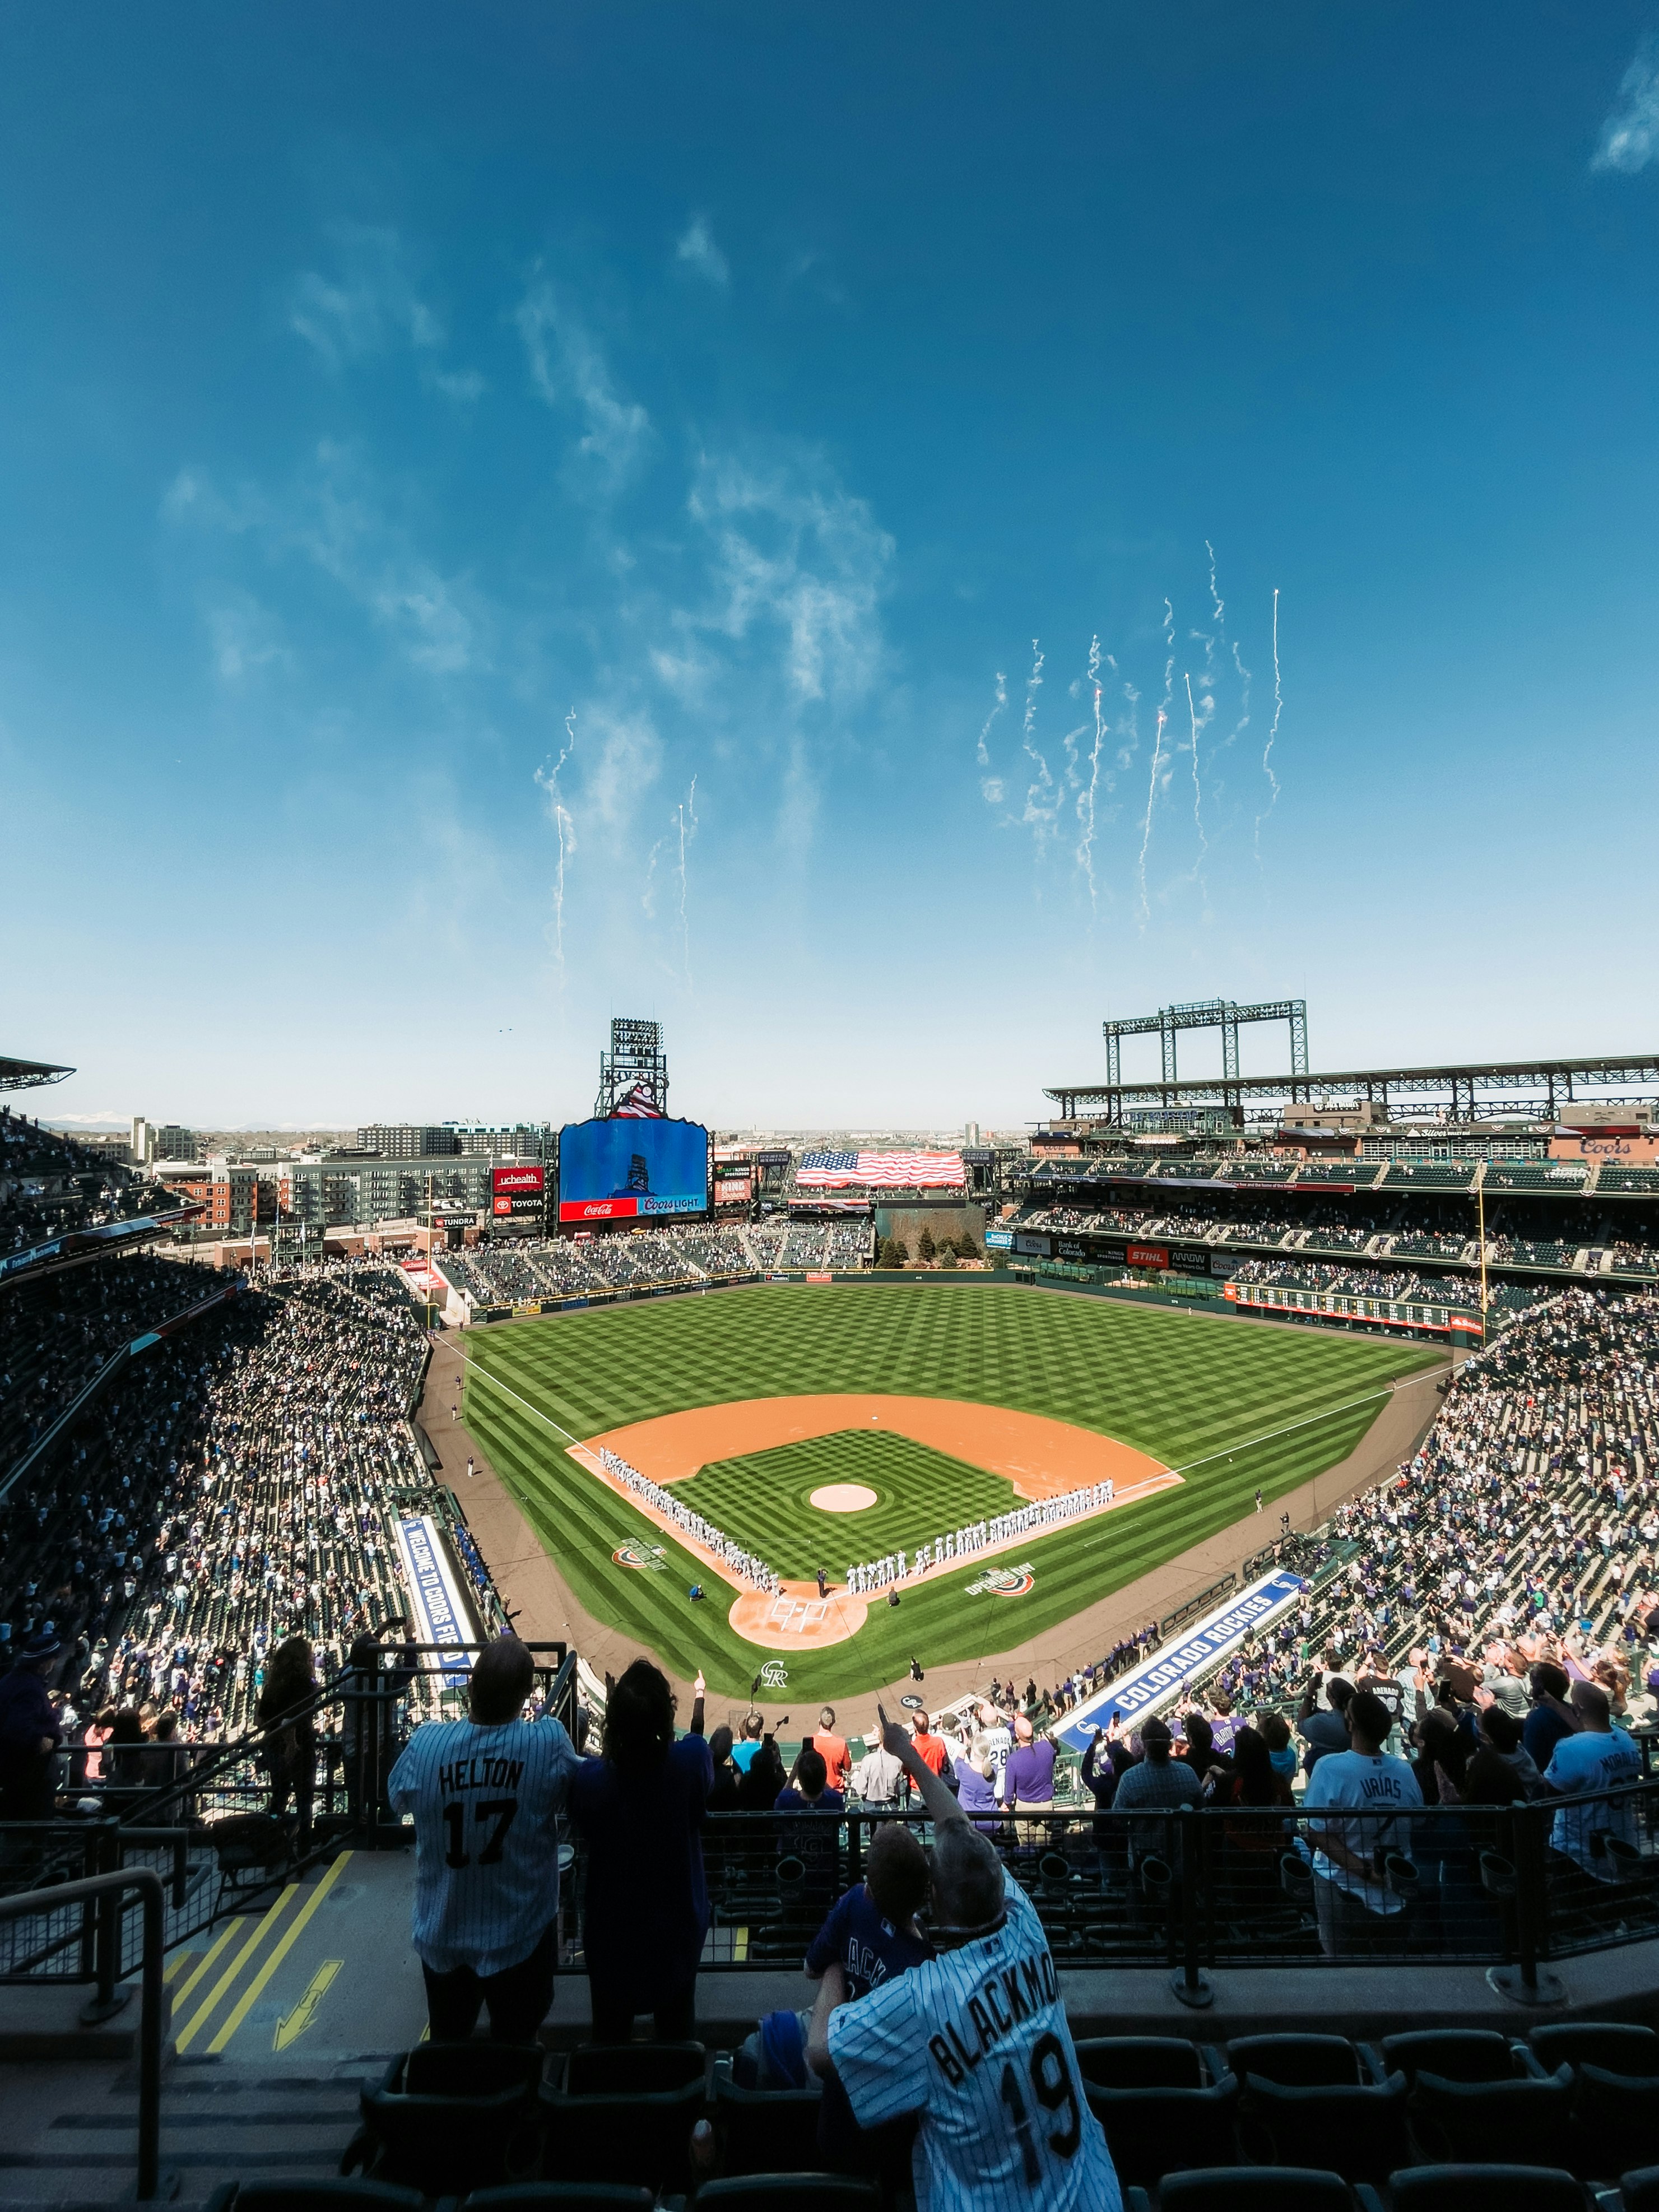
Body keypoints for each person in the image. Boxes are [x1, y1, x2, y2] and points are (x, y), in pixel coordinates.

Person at [808, 1702, 1121, 2212]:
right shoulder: (1028, 1929)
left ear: (935, 1904)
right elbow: (964, 1834)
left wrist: (836, 1965)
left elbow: (820, 2055)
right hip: (1095, 2197)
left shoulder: (926, 1995)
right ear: (999, 1887)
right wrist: (907, 1751)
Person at [387, 1635, 577, 2042]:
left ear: (470, 1688)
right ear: (526, 1695)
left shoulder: (425, 1743)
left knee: (447, 2042)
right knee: (520, 2042)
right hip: (520, 1934)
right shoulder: (546, 1740)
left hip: (443, 1930)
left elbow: (394, 1798)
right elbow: (580, 1791)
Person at [570, 1656, 713, 2042]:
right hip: (675, 1934)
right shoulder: (690, 1763)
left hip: (611, 1936)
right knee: (678, 2041)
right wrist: (698, 1698)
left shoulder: (590, 1782)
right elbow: (697, 1747)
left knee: (608, 2042)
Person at [807, 1824, 932, 2182]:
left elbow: (809, 1968)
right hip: (895, 2122)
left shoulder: (854, 1904)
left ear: (871, 1890)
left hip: (842, 2112)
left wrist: (838, 1961)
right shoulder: (925, 1965)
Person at [1300, 1689, 1423, 1958]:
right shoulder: (1404, 1770)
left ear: (1350, 1724)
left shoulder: (1330, 1767)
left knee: (1345, 1972)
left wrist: (1368, 1873)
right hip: (1396, 1887)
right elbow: (1417, 1820)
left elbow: (1316, 1833)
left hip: (1344, 1890)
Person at [1541, 1679, 1642, 1881]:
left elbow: (1550, 1794)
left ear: (1577, 1709)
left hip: (1578, 1851)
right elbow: (1592, 1738)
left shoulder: (1570, 1747)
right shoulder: (1625, 1739)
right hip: (1621, 1843)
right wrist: (1553, 1703)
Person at [257, 1635, 318, 1849]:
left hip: (273, 1748)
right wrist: (291, 1745)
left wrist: (273, 1735)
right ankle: (303, 1851)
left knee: (279, 1800)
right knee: (304, 1803)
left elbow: (259, 1719)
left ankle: (273, 1849)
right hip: (299, 1749)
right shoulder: (307, 1684)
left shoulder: (273, 1683)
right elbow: (291, 1719)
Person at [0, 1631, 64, 1820]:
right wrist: (45, 1740)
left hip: (15, 1773)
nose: (54, 1663)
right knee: (29, 1833)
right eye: (53, 1659)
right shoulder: (30, 1689)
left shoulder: (10, 1681)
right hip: (29, 1776)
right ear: (44, 1662)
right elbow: (19, 1730)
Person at [1296, 1671, 1355, 1776]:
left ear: (1332, 1699)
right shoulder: (1358, 1720)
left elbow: (1301, 1724)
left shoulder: (1321, 1722)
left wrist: (1309, 1694)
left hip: (1328, 1775)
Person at [1001, 1713, 1057, 1811]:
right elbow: (1053, 1758)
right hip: (1046, 1804)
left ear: (1017, 1736)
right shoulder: (1047, 1747)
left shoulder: (1013, 1759)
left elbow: (1009, 1791)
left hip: (1025, 1806)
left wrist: (1007, 1803)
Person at [853, 1723, 905, 1807]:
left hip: (871, 1807)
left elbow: (860, 1790)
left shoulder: (868, 1760)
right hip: (891, 1806)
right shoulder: (898, 1761)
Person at [810, 1706, 852, 1793]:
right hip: (836, 1793)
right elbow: (848, 1768)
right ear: (833, 1722)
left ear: (819, 1721)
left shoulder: (811, 1742)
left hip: (816, 1792)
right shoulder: (841, 1744)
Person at [909, 1711, 950, 1780]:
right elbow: (944, 1763)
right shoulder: (938, 1742)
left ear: (915, 1728)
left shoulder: (912, 1747)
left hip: (917, 1787)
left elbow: (907, 1770)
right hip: (935, 1783)